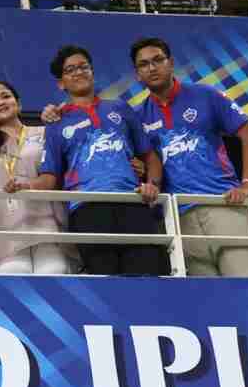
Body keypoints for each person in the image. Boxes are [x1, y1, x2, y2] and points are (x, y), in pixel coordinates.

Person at [25, 45, 169, 276]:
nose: (79, 72)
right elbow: (50, 177)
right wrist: (25, 184)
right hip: (87, 209)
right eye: (70, 70)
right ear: (61, 83)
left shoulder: (120, 108)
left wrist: (152, 184)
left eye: (83, 66)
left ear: (92, 72)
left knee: (147, 277)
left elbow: (150, 156)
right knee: (104, 281)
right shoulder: (56, 123)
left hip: (133, 203)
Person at [130, 37, 248, 276]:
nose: (152, 67)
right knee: (207, 295)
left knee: (244, 281)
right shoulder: (138, 115)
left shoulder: (205, 94)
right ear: (137, 74)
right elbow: (143, 161)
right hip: (180, 215)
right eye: (143, 64)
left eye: (158, 60)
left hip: (223, 203)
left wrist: (247, 185)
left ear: (171, 63)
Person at [0, 80, 77, 274]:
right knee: (11, 278)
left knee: (53, 274)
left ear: (19, 103)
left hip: (48, 228)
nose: (0, 102)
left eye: (5, 96)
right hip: (5, 233)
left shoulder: (46, 133)